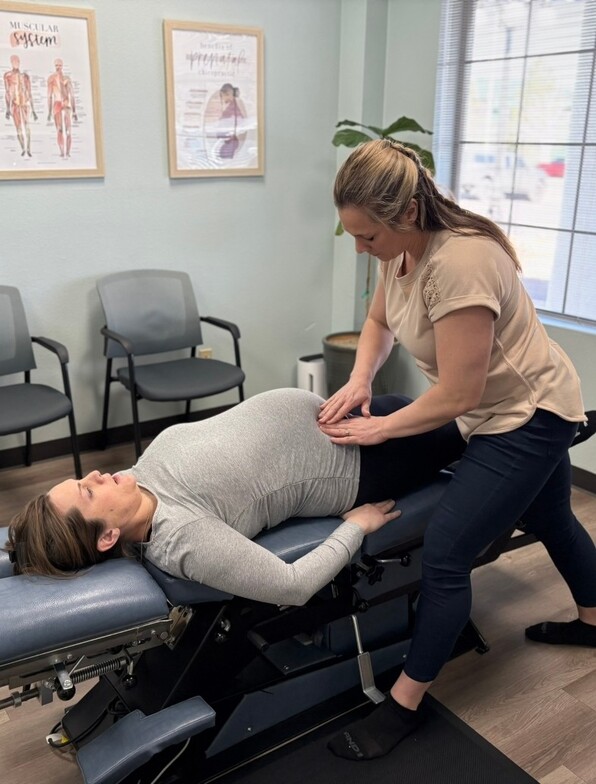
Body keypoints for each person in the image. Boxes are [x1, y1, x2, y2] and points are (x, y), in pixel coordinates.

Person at [316, 138, 596, 761]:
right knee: (550, 514)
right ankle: (595, 621)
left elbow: (460, 391)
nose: (361, 249)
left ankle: (405, 704)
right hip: (487, 407)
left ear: (407, 213)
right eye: (354, 237)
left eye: (367, 238)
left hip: (527, 413)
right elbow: (378, 323)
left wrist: (382, 428)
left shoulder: (460, 262)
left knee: (446, 551)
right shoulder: (401, 251)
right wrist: (361, 379)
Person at [6, 388, 468, 606]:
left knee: (470, 406)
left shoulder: (131, 483)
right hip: (365, 465)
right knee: (495, 420)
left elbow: (48, 542)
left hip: (349, 418)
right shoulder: (180, 536)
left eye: (82, 478)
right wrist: (355, 528)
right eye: (87, 490)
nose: (97, 473)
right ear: (108, 538)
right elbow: (291, 587)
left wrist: (26, 544)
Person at [3, 55, 37, 157]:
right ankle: (23, 148)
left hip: (25, 104)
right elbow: (7, 92)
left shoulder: (25, 76)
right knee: (18, 128)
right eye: (13, 61)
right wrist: (8, 109)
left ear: (19, 62)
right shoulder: (7, 76)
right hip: (15, 105)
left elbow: (29, 92)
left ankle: (29, 148)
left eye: (17, 61)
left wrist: (34, 110)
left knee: (27, 127)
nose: (15, 63)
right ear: (11, 62)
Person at [47, 58, 77, 158]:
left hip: (66, 105)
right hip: (57, 105)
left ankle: (68, 152)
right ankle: (61, 151)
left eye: (59, 65)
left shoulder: (67, 78)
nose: (58, 67)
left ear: (62, 65)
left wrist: (74, 111)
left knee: (68, 130)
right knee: (59, 129)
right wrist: (49, 112)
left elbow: (72, 95)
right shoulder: (51, 79)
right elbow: (49, 96)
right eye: (56, 65)